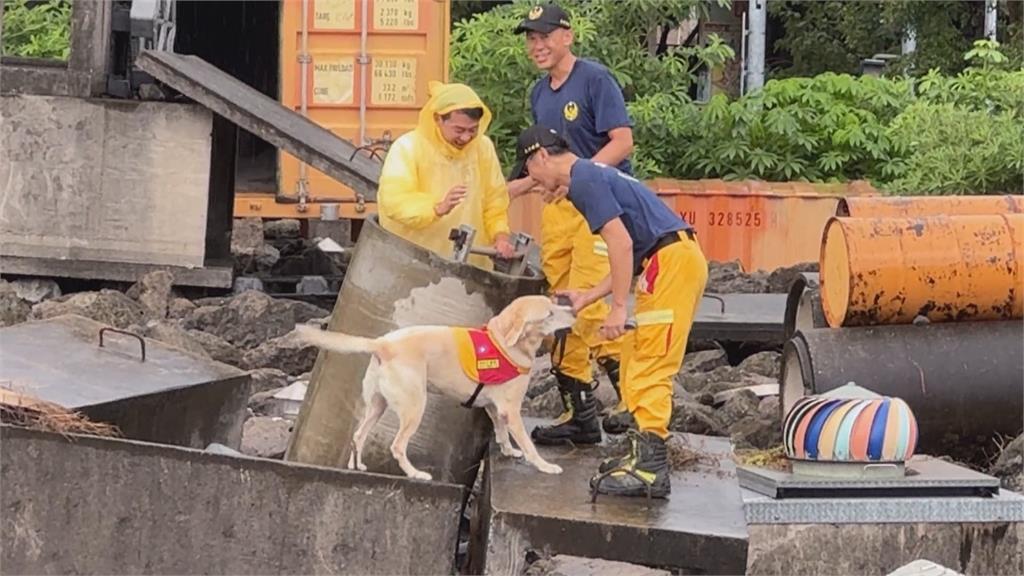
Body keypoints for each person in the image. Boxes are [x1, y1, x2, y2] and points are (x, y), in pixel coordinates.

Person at [509, 125, 708, 498]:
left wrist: (617, 308)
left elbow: (620, 241)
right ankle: (639, 455)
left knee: (650, 361)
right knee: (637, 358)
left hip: (669, 262)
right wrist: (589, 296)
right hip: (665, 258)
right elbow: (630, 252)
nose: (533, 184)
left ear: (541, 157)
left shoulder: (582, 179)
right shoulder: (593, 174)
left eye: (530, 172)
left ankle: (650, 469)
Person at [506, 2, 635, 444]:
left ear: (567, 36)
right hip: (558, 209)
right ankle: (578, 412)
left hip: (597, 204)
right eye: (530, 38)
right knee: (559, 305)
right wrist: (515, 188)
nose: (537, 45)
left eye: (544, 36)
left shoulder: (595, 80)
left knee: (593, 304)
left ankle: (637, 406)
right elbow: (542, 161)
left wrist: (582, 178)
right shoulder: (539, 94)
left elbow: (622, 141)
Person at [378, 81, 515, 271]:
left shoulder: (483, 148)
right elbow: (394, 202)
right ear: (437, 119)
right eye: (459, 130)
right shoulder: (407, 148)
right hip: (412, 266)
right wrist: (436, 208)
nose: (466, 138)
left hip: (470, 268)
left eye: (473, 130)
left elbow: (495, 202)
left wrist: (500, 237)